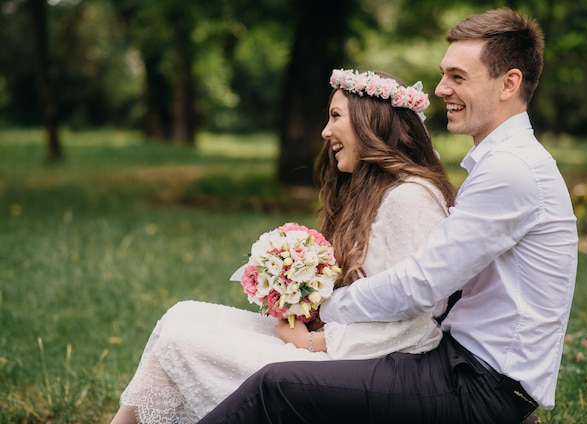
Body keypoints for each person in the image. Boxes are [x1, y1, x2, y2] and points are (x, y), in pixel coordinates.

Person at [196, 8, 578, 424]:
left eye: (458, 77)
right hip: (461, 363)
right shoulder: (503, 164)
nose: (440, 88)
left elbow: (421, 284)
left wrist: (325, 309)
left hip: (482, 385)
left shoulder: (511, 171)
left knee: (277, 386)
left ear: (510, 83)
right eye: (443, 73)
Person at [109, 69, 456, 424]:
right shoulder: (372, 191)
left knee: (182, 341)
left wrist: (313, 344)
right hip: (334, 341)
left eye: (336, 116)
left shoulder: (411, 197)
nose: (325, 131)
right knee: (182, 315)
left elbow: (420, 315)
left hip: (364, 364)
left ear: (373, 123)